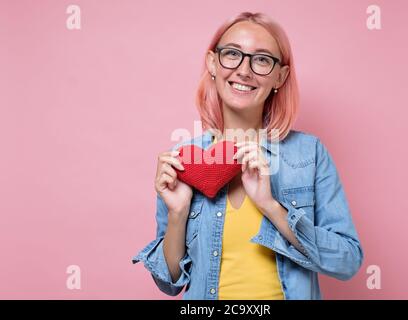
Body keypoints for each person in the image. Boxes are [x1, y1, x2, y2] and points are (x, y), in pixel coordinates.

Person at [132, 11, 363, 300]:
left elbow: (347, 261)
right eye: (232, 54)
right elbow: (170, 284)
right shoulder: (183, 161)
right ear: (212, 63)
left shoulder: (310, 154)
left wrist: (271, 206)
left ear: (280, 76)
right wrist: (178, 213)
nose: (244, 70)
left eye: (262, 59)